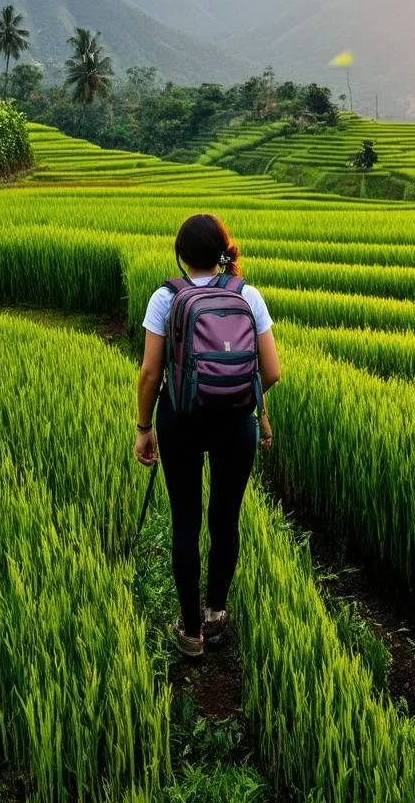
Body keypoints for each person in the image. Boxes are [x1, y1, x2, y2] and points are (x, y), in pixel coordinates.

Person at [134, 213, 281, 658]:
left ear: (180, 254)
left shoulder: (166, 297)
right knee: (225, 521)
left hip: (180, 421)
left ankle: (191, 633)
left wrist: (144, 428)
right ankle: (217, 614)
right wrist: (241, 401)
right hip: (236, 423)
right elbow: (271, 371)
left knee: (185, 521)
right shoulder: (247, 295)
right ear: (223, 251)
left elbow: (149, 373)